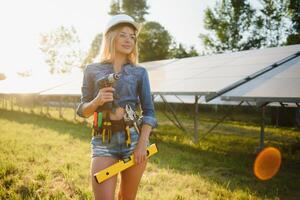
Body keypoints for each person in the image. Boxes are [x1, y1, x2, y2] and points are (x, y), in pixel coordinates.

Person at [76, 14, 157, 200]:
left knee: (127, 198)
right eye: (123, 35)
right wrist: (97, 101)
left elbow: (149, 112)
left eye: (132, 36)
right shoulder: (92, 70)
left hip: (134, 140)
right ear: (111, 37)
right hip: (103, 141)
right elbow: (82, 110)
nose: (129, 40)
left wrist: (142, 144)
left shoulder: (139, 72)